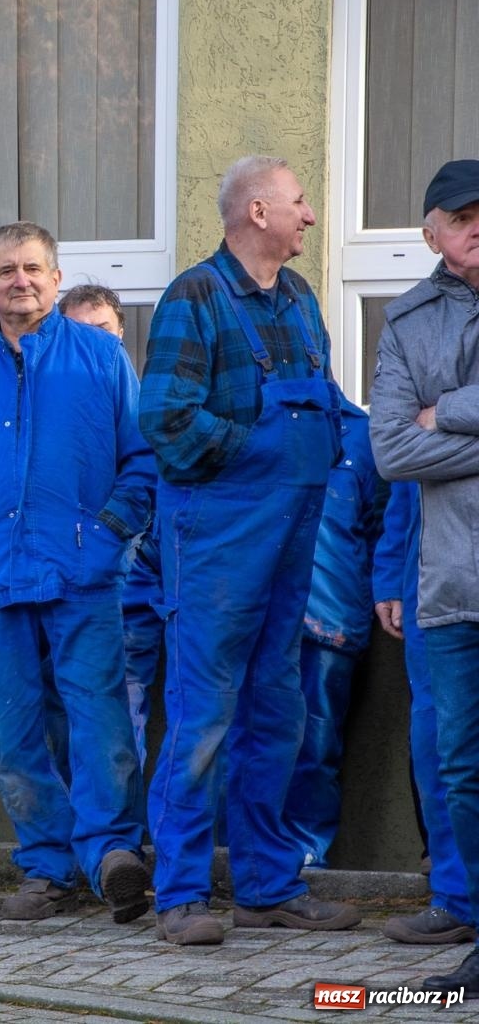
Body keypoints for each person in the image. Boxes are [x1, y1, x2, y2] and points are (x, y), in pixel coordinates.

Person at [139, 155, 357, 946]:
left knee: (276, 712)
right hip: (218, 537)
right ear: (258, 212)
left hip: (292, 533)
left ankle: (267, 886)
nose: (310, 215)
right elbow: (166, 421)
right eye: (299, 201)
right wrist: (255, 453)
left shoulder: (298, 299)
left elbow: (327, 406)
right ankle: (180, 895)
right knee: (202, 717)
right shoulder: (194, 297)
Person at [0, 222, 152, 924]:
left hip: (84, 576)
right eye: (7, 271)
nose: (21, 281)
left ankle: (112, 855)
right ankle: (48, 866)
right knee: (14, 731)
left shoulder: (100, 358)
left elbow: (142, 460)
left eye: (34, 269)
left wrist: (108, 536)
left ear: (56, 279)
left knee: (99, 721)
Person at [368, 158, 479, 993]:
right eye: (463, 218)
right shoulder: (407, 320)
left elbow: (424, 434)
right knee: (462, 768)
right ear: (432, 233)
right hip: (452, 583)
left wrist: (452, 412)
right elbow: (392, 448)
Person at [54, 284, 162, 774]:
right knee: (58, 714)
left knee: (121, 714)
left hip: (131, 586)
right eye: (79, 331)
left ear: (120, 334)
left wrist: (107, 539)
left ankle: (120, 819)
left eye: (102, 330)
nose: (92, 342)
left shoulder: (144, 404)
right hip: (56, 586)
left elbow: (146, 480)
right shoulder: (48, 409)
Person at [281, 400, 383, 868]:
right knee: (246, 745)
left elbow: (381, 528)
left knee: (316, 749)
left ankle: (306, 858)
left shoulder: (362, 435)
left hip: (330, 618)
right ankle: (244, 857)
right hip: (256, 616)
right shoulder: (247, 420)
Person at [374, 480, 475, 947]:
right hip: (434, 580)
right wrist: (391, 577)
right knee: (440, 746)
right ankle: (457, 899)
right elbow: (403, 475)